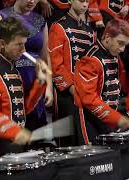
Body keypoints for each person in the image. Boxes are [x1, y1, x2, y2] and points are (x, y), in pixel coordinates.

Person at [0, 16, 48, 160]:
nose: (23, 50)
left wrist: (39, 82)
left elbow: (22, 109)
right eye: (19, 44)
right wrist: (14, 131)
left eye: (24, 44)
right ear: (2, 43)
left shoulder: (13, 69)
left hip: (13, 141)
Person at [74, 18, 129, 145]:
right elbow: (89, 99)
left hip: (108, 122)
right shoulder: (91, 60)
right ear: (107, 37)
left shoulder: (114, 56)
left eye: (125, 45)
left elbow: (127, 86)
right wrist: (117, 118)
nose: (123, 49)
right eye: (120, 43)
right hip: (90, 122)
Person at [0, 0, 53, 132]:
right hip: (11, 77)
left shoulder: (40, 20)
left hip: (35, 79)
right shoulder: (0, 17)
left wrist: (49, 87)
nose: (32, 1)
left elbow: (45, 56)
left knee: (35, 130)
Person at [49, 0, 96, 145]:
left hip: (86, 92)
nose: (85, 4)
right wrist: (72, 88)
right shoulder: (58, 27)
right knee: (69, 140)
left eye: (87, 1)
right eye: (81, 0)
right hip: (66, 92)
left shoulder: (90, 31)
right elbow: (56, 65)